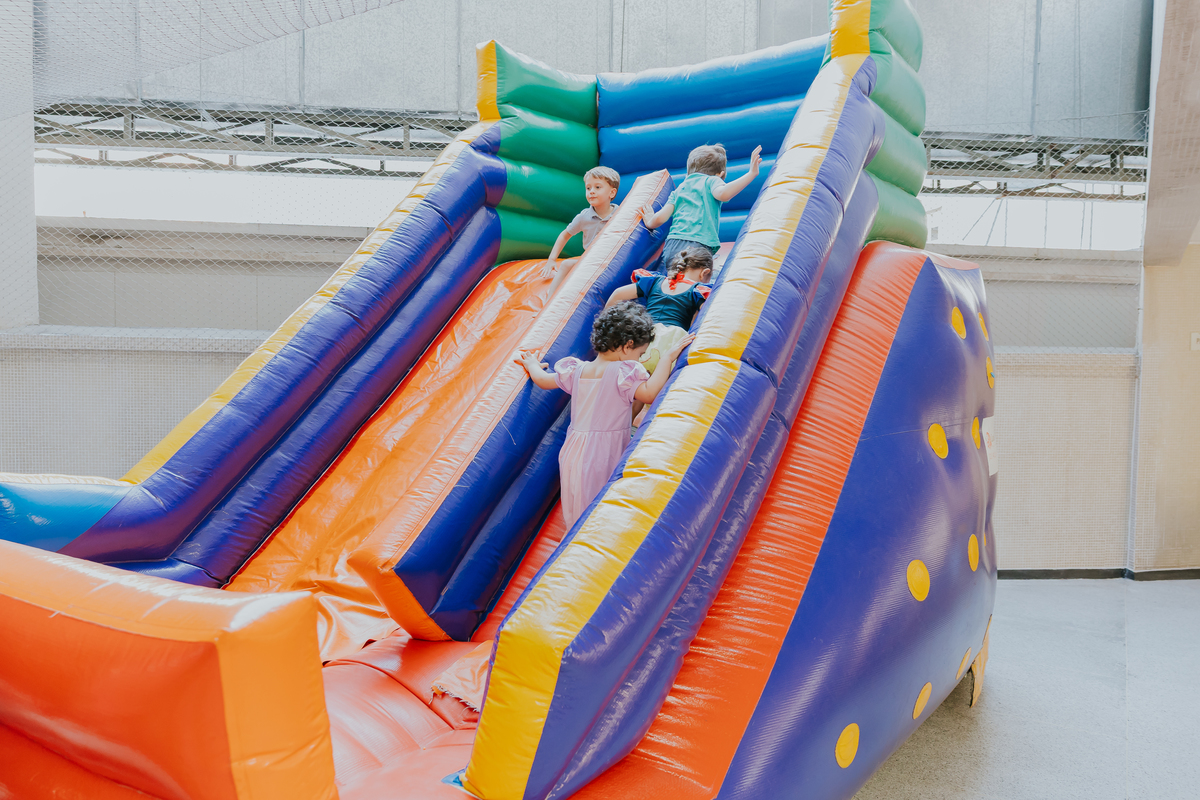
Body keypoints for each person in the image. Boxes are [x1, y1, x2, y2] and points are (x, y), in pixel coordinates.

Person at [516, 303, 694, 528]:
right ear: (627, 346)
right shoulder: (622, 373)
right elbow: (649, 393)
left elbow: (542, 380)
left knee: (579, 510)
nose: (639, 359)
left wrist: (532, 364)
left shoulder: (577, 370)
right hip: (602, 454)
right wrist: (667, 359)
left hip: (573, 452)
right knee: (600, 514)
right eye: (640, 353)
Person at [640, 143, 762, 272]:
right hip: (697, 244)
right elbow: (723, 194)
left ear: (689, 171)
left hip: (673, 245)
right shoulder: (711, 180)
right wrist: (751, 174)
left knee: (676, 283)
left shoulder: (680, 189)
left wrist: (649, 220)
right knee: (693, 283)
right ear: (719, 174)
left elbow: (660, 218)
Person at [604, 247, 713, 374]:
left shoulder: (654, 281)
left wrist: (608, 327)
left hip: (641, 343)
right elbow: (706, 317)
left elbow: (617, 294)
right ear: (704, 273)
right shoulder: (697, 290)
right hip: (669, 347)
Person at [540, 166, 622, 293]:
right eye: (588, 188)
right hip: (589, 260)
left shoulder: (620, 214)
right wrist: (551, 260)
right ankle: (549, 301)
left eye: (597, 187)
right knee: (566, 264)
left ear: (612, 193)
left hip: (611, 259)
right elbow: (564, 235)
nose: (591, 191)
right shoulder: (584, 217)